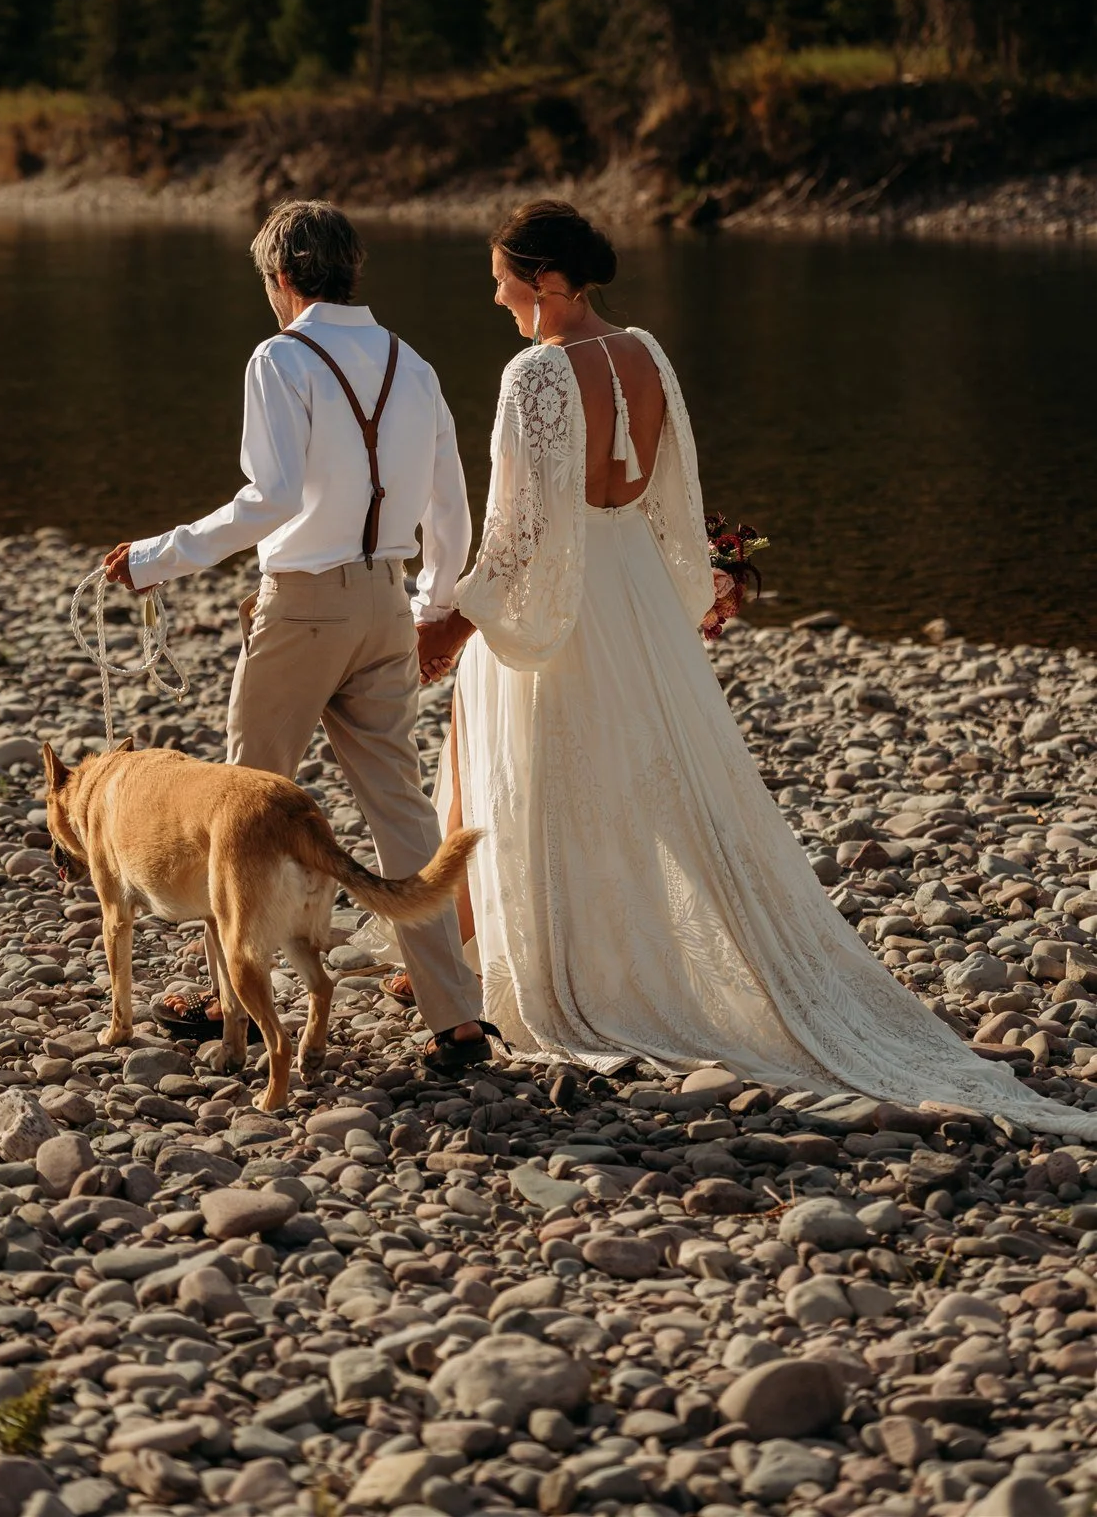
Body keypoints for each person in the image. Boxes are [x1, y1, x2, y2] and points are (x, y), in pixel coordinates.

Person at [418, 197, 1097, 1138]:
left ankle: (529, 965)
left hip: (570, 597)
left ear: (543, 282)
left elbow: (517, 532)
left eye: (499, 279)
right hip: (635, 597)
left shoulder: (533, 372)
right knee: (630, 775)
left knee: (534, 769)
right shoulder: (647, 352)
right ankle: (531, 945)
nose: (493, 297)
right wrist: (694, 587)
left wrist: (452, 616)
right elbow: (670, 489)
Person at [104, 199, 492, 1072]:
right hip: (387, 603)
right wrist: (433, 605)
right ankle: (456, 1017)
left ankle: (227, 1000)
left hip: (303, 605)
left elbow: (269, 499)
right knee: (399, 805)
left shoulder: (281, 357)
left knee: (239, 808)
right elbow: (450, 505)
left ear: (281, 280)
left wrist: (160, 559)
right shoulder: (413, 362)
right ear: (352, 270)